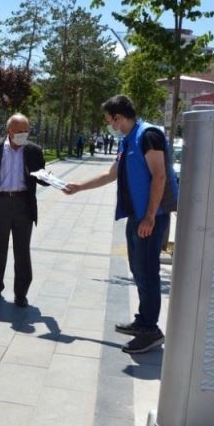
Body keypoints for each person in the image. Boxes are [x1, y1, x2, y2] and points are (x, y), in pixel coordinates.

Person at [63, 95, 179, 354]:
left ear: (118, 117)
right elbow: (110, 174)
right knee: (138, 269)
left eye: (108, 120)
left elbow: (160, 176)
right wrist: (78, 186)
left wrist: (150, 216)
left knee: (147, 271)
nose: (108, 125)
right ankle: (143, 320)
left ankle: (150, 330)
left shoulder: (148, 135)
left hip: (150, 217)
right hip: (136, 215)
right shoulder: (128, 140)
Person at [0, 113, 47, 307]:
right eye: (19, 131)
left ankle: (21, 294)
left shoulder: (34, 150)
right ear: (8, 131)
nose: (23, 134)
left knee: (22, 251)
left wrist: (48, 178)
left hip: (23, 204)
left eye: (26, 130)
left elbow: (40, 176)